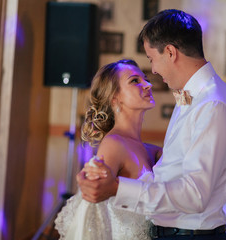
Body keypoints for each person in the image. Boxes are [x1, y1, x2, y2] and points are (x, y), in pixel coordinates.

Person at [77, 9, 226, 240]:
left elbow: (195, 194)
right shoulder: (192, 97)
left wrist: (117, 188)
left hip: (191, 235)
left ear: (170, 52)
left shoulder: (212, 104)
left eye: (151, 59)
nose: (153, 71)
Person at [54, 59, 162, 239]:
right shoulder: (113, 144)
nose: (148, 84)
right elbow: (92, 213)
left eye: (145, 79)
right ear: (115, 98)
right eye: (135, 81)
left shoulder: (152, 151)